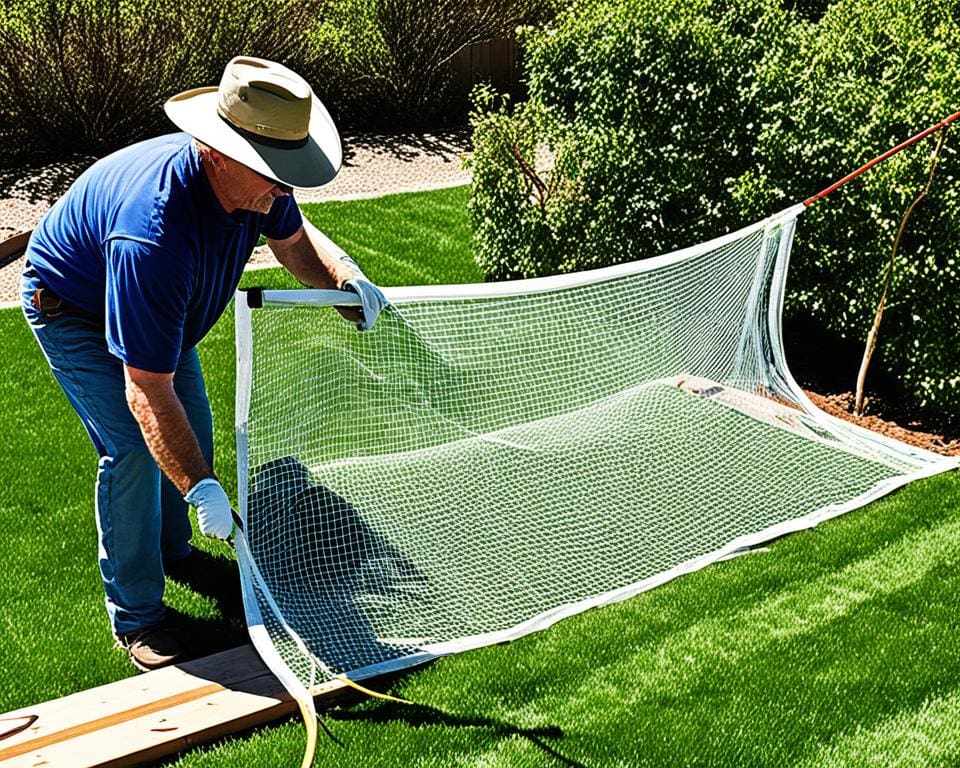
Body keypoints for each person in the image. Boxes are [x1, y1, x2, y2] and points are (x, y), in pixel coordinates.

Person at [20, 56, 389, 671]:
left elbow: (294, 242)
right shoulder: (152, 235)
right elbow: (146, 389)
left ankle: (174, 552)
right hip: (72, 308)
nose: (284, 190)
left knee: (195, 428)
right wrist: (200, 488)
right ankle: (138, 617)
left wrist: (344, 282)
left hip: (166, 309)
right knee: (133, 449)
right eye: (273, 175)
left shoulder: (261, 184)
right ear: (218, 153)